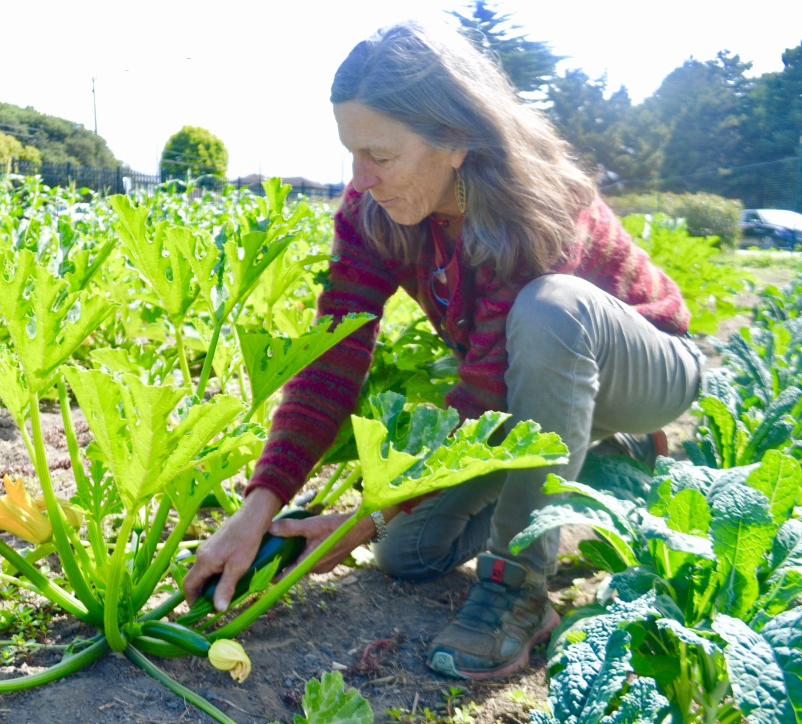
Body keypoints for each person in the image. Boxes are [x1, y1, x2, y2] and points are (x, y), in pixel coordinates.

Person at [183, 20, 704, 680]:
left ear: (455, 139)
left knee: (550, 309)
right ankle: (596, 466)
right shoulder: (372, 211)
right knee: (407, 549)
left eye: (380, 154)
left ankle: (519, 589)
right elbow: (331, 358)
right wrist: (260, 506)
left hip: (646, 368)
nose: (361, 176)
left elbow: (486, 391)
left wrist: (359, 515)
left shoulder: (535, 203)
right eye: (351, 153)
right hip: (539, 386)